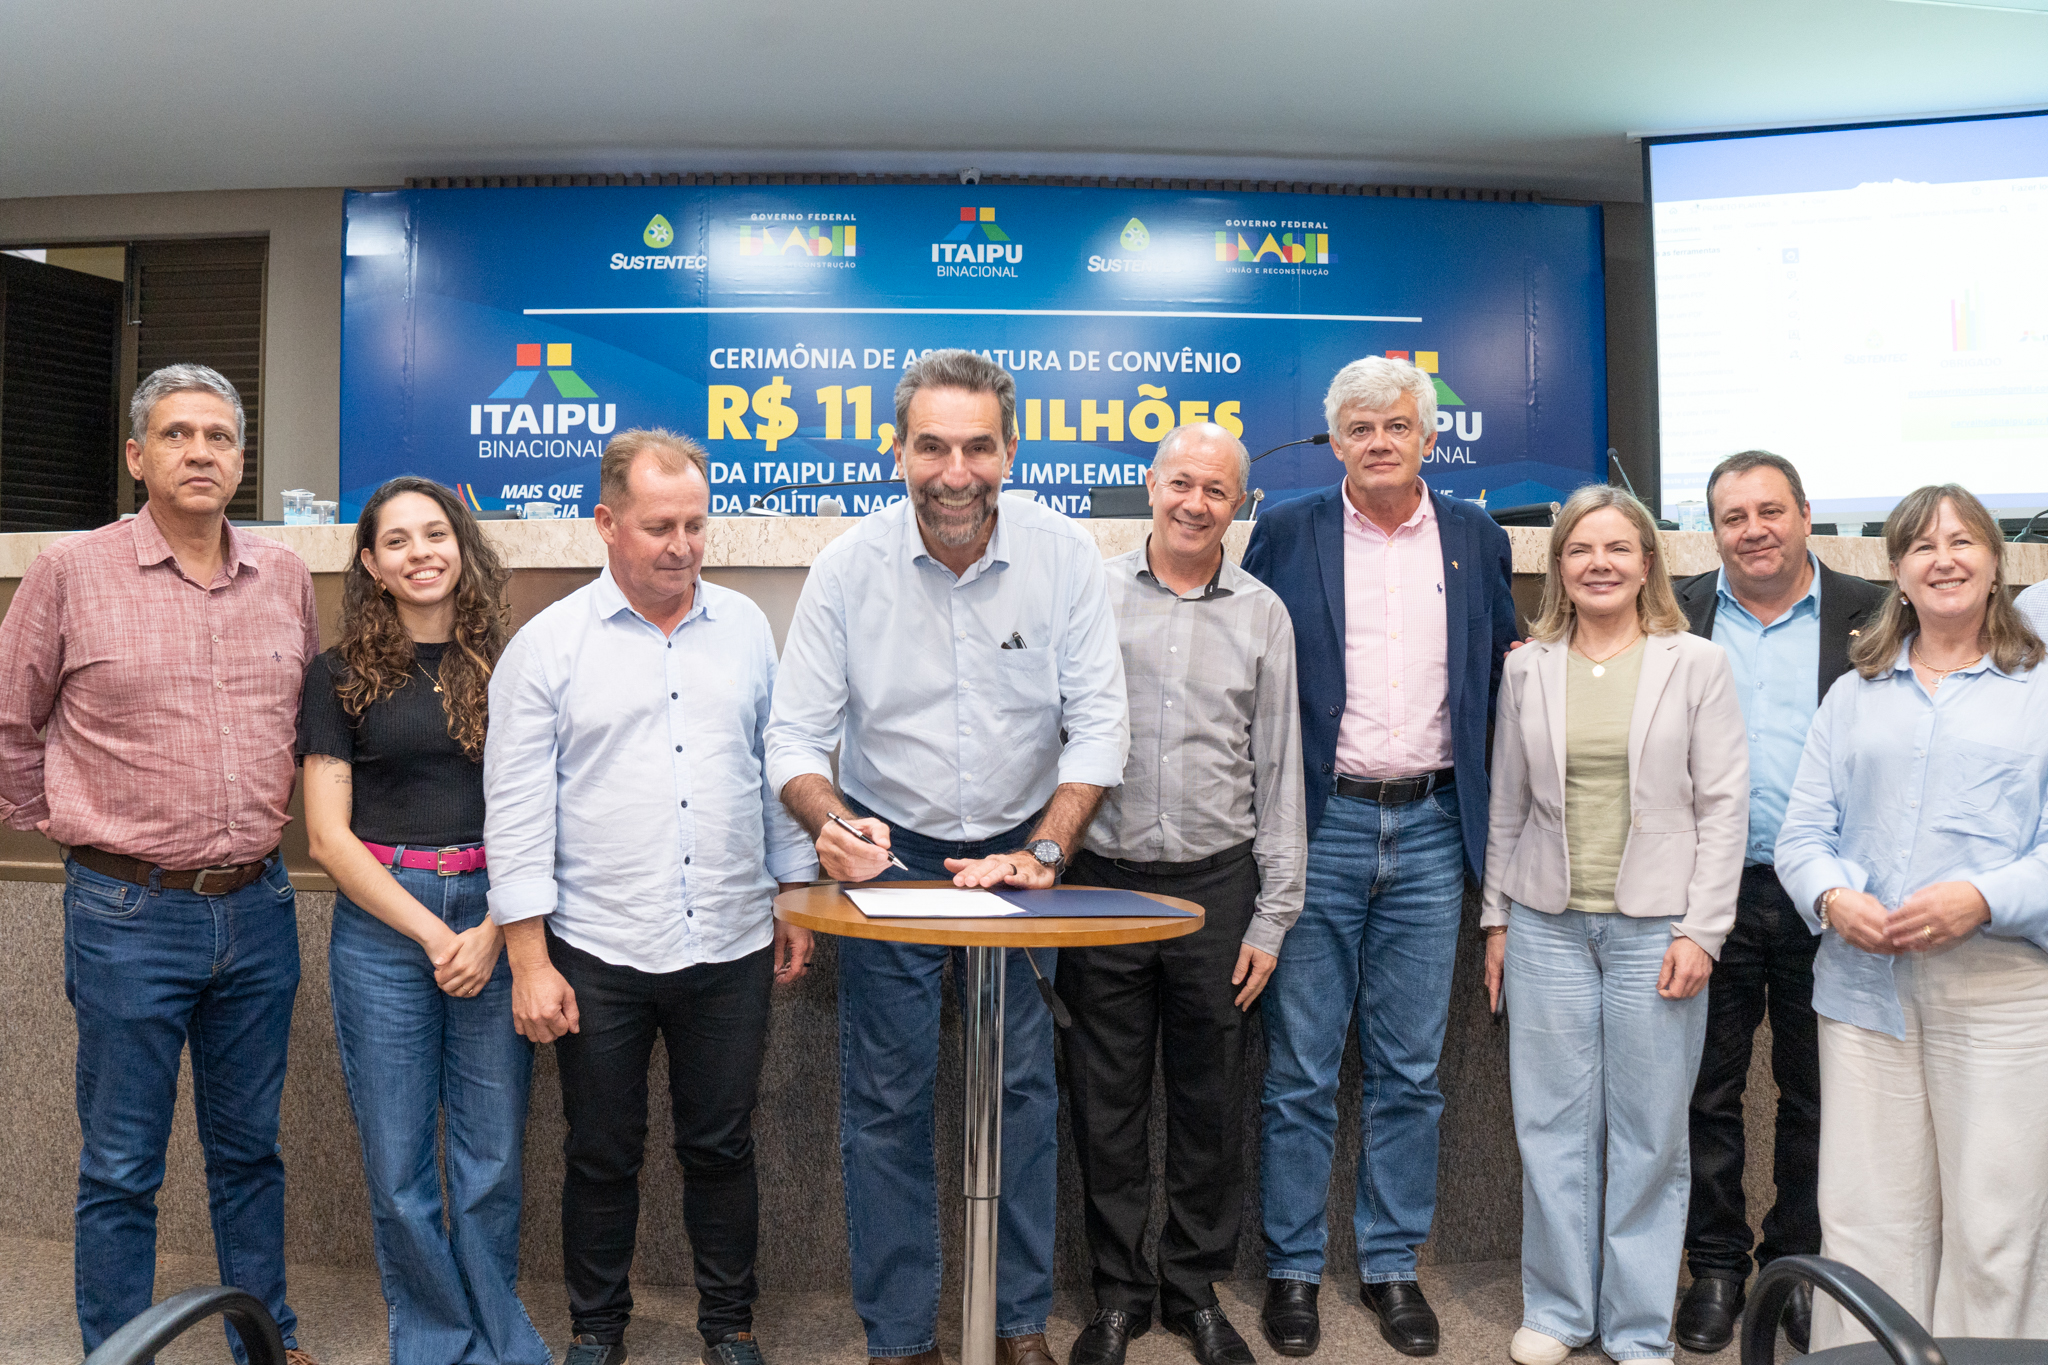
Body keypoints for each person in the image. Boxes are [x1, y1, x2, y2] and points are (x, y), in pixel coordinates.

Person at [765, 349, 1128, 1365]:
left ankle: (1015, 1326)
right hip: (893, 860)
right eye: (932, 446)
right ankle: (898, 1338)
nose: (954, 471)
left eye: (977, 447)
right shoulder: (846, 568)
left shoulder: (1062, 558)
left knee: (1019, 1093)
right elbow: (793, 739)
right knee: (884, 1102)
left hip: (1022, 856)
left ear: (1009, 452)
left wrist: (1048, 847)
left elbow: (1098, 728)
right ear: (898, 453)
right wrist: (829, 822)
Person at [0, 364, 321, 1364]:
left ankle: (265, 1344)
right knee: (123, 1163)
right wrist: (68, 830)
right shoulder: (72, 572)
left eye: (218, 437)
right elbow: (10, 720)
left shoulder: (287, 579)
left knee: (249, 1156)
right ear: (138, 456)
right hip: (127, 916)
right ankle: (115, 1350)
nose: (200, 453)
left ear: (239, 459)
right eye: (177, 435)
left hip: (260, 909)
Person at [483, 429, 818, 1365]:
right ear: (606, 523)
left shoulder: (747, 628)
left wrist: (793, 887)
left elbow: (774, 765)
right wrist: (528, 956)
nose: (682, 544)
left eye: (697, 525)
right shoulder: (547, 646)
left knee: (722, 1145)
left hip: (731, 940)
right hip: (598, 947)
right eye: (660, 525)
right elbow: (515, 810)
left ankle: (730, 1325)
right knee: (599, 1152)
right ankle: (597, 1330)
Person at [1241, 355, 1517, 1358]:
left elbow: (1502, 677)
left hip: (1437, 828)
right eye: (1358, 429)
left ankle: (1392, 1264)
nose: (1378, 443)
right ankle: (1291, 1270)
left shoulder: (1475, 538)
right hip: (1321, 825)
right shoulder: (1286, 531)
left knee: (1410, 1070)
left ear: (1427, 438)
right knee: (1301, 1071)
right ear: (1336, 440)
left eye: (1395, 426)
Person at [1776, 483, 2048, 1349]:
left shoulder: (2036, 688)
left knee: (1995, 1226)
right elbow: (1802, 833)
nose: (1945, 559)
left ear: (1997, 563)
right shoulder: (1857, 691)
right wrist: (1830, 895)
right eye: (1923, 546)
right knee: (1864, 1216)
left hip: (2002, 997)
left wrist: (1984, 897)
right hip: (1864, 993)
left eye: (1964, 541)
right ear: (1895, 570)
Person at [1480, 485, 1748, 1365]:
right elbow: (1507, 805)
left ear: (1646, 563)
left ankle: (1636, 1326)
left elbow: (1723, 808)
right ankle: (1557, 1312)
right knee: (1549, 1127)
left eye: (1617, 549)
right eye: (1579, 549)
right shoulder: (1530, 666)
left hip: (1657, 927)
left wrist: (1701, 931)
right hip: (1546, 925)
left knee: (1650, 1133)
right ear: (1557, 566)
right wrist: (1497, 921)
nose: (1598, 563)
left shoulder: (1694, 662)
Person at [1063, 424, 1306, 1365]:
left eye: (1217, 489)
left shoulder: (1264, 614)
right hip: (1104, 887)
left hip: (1218, 888)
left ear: (1239, 505)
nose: (1196, 503)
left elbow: (1280, 769)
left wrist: (1274, 914)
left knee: (1210, 1103)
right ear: (1150, 487)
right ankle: (1120, 1293)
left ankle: (1194, 1287)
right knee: (1106, 1099)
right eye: (1181, 483)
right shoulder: (1093, 595)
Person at [298, 476, 550, 1365]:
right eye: (396, 540)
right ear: (369, 561)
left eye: (434, 534)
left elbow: (538, 807)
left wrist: (492, 929)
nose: (420, 553)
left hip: (498, 918)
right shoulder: (336, 675)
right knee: (401, 1171)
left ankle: (500, 1335)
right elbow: (328, 837)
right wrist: (435, 934)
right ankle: (439, 1342)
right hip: (384, 930)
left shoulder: (512, 664)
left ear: (462, 545)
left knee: (491, 1166)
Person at [1668, 452, 1886, 1354]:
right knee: (1705, 1091)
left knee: (1815, 1095)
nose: (1753, 529)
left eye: (1770, 510)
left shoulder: (1872, 614)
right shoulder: (1675, 608)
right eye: (1733, 516)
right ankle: (1715, 1268)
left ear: (1805, 515)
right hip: (1703, 893)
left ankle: (1795, 1264)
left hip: (1826, 898)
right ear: (1711, 528)